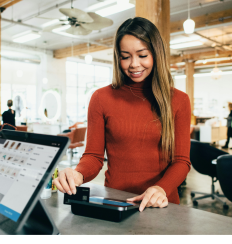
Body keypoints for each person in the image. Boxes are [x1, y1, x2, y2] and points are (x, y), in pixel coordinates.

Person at [53, 17, 191, 212]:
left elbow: (181, 161)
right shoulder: (101, 98)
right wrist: (78, 174)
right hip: (116, 203)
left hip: (162, 205)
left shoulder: (179, 100)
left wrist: (161, 188)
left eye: (142, 55)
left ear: (156, 54)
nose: (134, 64)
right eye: (125, 56)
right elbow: (93, 156)